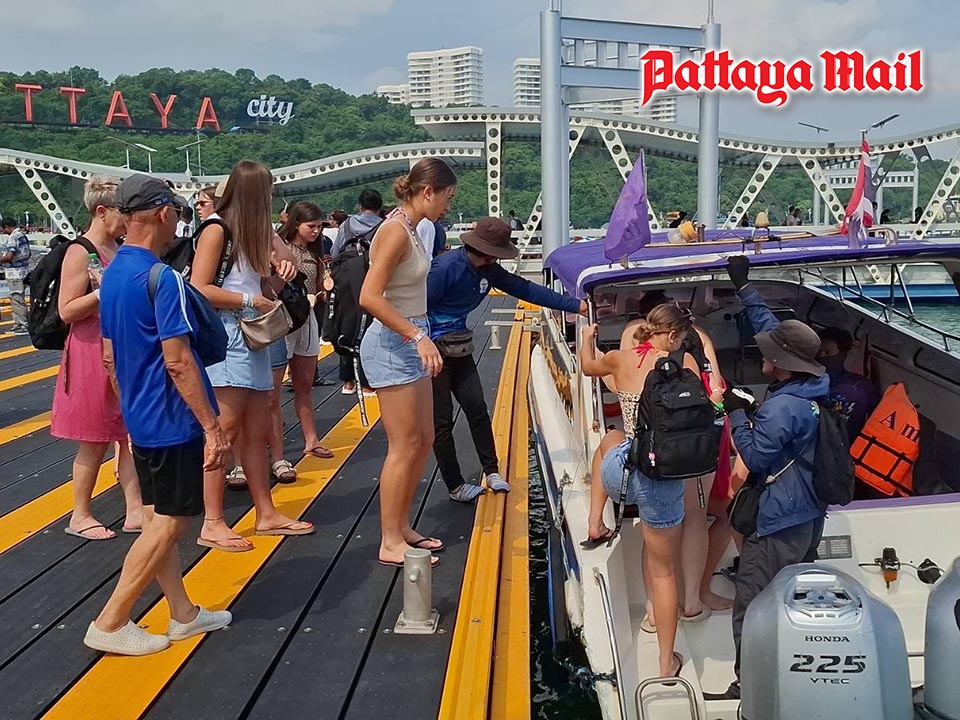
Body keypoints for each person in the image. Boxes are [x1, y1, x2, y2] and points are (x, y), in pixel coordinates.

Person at [86, 174, 231, 656]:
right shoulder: (163, 278)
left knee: (157, 520)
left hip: (140, 415)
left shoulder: (112, 274)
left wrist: (131, 407)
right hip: (172, 418)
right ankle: (111, 620)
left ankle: (182, 613)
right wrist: (212, 427)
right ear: (164, 213)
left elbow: (110, 357)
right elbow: (178, 361)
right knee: (172, 522)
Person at [708, 255, 829, 700]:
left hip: (778, 521)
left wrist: (738, 413)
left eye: (768, 354)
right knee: (792, 595)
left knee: (754, 605)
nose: (763, 354)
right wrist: (745, 288)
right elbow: (775, 329)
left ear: (780, 363)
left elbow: (757, 457)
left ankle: (750, 687)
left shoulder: (781, 408)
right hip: (809, 513)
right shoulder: (814, 386)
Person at [191, 160, 314, 551]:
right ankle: (212, 520)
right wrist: (250, 299)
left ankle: (265, 511)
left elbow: (280, 266)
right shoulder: (217, 229)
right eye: (268, 192)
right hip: (230, 332)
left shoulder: (251, 232)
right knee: (225, 428)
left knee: (256, 427)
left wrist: (275, 269)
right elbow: (199, 287)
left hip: (254, 332)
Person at [427, 217, 585, 502]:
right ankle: (455, 485)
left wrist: (576, 306)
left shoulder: (488, 270)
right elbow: (416, 309)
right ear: (486, 251)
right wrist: (420, 345)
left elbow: (526, 289)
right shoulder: (445, 269)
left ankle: (492, 471)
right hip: (431, 350)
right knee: (441, 420)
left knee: (477, 407)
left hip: (458, 347)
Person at [580, 304, 698, 678]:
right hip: (660, 479)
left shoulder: (620, 359)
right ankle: (666, 663)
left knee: (609, 438)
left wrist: (586, 339)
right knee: (663, 573)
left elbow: (587, 367)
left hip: (622, 475)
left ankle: (595, 521)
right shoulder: (684, 365)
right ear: (674, 335)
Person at [359, 158, 454, 567]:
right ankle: (389, 540)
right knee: (403, 444)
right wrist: (417, 337)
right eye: (447, 197)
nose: (448, 205)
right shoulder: (395, 231)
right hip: (393, 342)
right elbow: (369, 296)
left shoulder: (413, 228)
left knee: (424, 438)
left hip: (412, 335)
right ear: (427, 192)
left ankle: (401, 526)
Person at [52, 177, 143, 540]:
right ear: (102, 211)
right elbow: (67, 310)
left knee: (128, 432)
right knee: (94, 438)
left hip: (120, 349)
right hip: (91, 351)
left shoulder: (118, 248)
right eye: (124, 212)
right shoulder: (80, 251)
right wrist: (104, 293)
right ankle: (80, 513)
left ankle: (135, 509)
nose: (128, 220)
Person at [279, 201, 334, 460]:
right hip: (283, 317)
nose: (316, 231)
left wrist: (323, 288)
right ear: (296, 224)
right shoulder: (281, 247)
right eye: (311, 226)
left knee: (304, 383)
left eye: (319, 226)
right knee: (272, 392)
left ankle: (311, 438)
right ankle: (275, 447)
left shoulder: (315, 250)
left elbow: (317, 283)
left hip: (307, 316)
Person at [331, 189, 383, 395]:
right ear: (379, 207)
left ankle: (348, 381)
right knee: (371, 325)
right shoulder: (384, 226)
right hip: (372, 277)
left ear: (360, 206)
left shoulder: (347, 224)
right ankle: (368, 381)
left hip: (346, 277)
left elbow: (335, 252)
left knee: (346, 324)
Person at [817, 326, 880, 440]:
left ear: (843, 354)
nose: (822, 356)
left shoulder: (861, 386)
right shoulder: (805, 382)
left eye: (828, 352)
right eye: (819, 352)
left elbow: (878, 417)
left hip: (847, 445)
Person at [0, 216, 31, 334]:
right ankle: (20, 323)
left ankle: (22, 324)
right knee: (18, 297)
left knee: (16, 298)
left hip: (14, 273)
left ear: (7, 227)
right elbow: (28, 254)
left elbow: (9, 256)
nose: (3, 232)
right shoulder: (22, 235)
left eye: (3, 229)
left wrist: (1, 260)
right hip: (23, 270)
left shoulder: (13, 237)